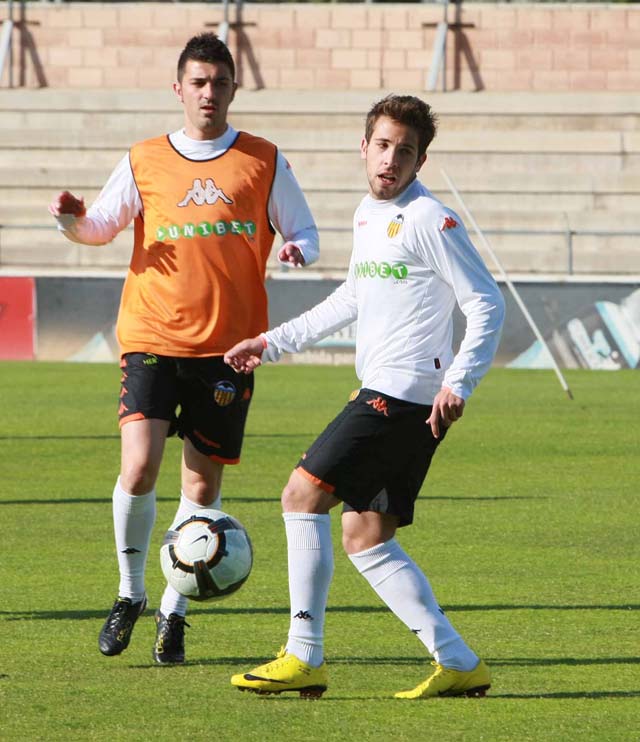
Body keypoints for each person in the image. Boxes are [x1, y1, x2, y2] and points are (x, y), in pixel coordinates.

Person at [48, 33, 319, 665]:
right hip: (152, 336)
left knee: (200, 485)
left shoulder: (263, 158)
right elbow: (99, 228)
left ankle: (174, 609)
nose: (208, 93)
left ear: (233, 89)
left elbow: (305, 229)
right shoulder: (144, 158)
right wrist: (69, 220)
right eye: (197, 82)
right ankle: (129, 593)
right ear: (178, 89)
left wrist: (296, 247)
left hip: (229, 349)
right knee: (140, 468)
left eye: (219, 82)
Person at [224, 94, 505, 699]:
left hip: (401, 396)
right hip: (396, 396)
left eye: (405, 151)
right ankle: (459, 663)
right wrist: (271, 342)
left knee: (300, 496)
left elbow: (486, 301)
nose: (390, 160)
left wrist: (460, 381)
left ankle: (304, 654)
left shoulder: (429, 219)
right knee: (366, 535)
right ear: (364, 147)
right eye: (382, 146)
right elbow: (351, 298)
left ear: (420, 161)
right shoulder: (366, 214)